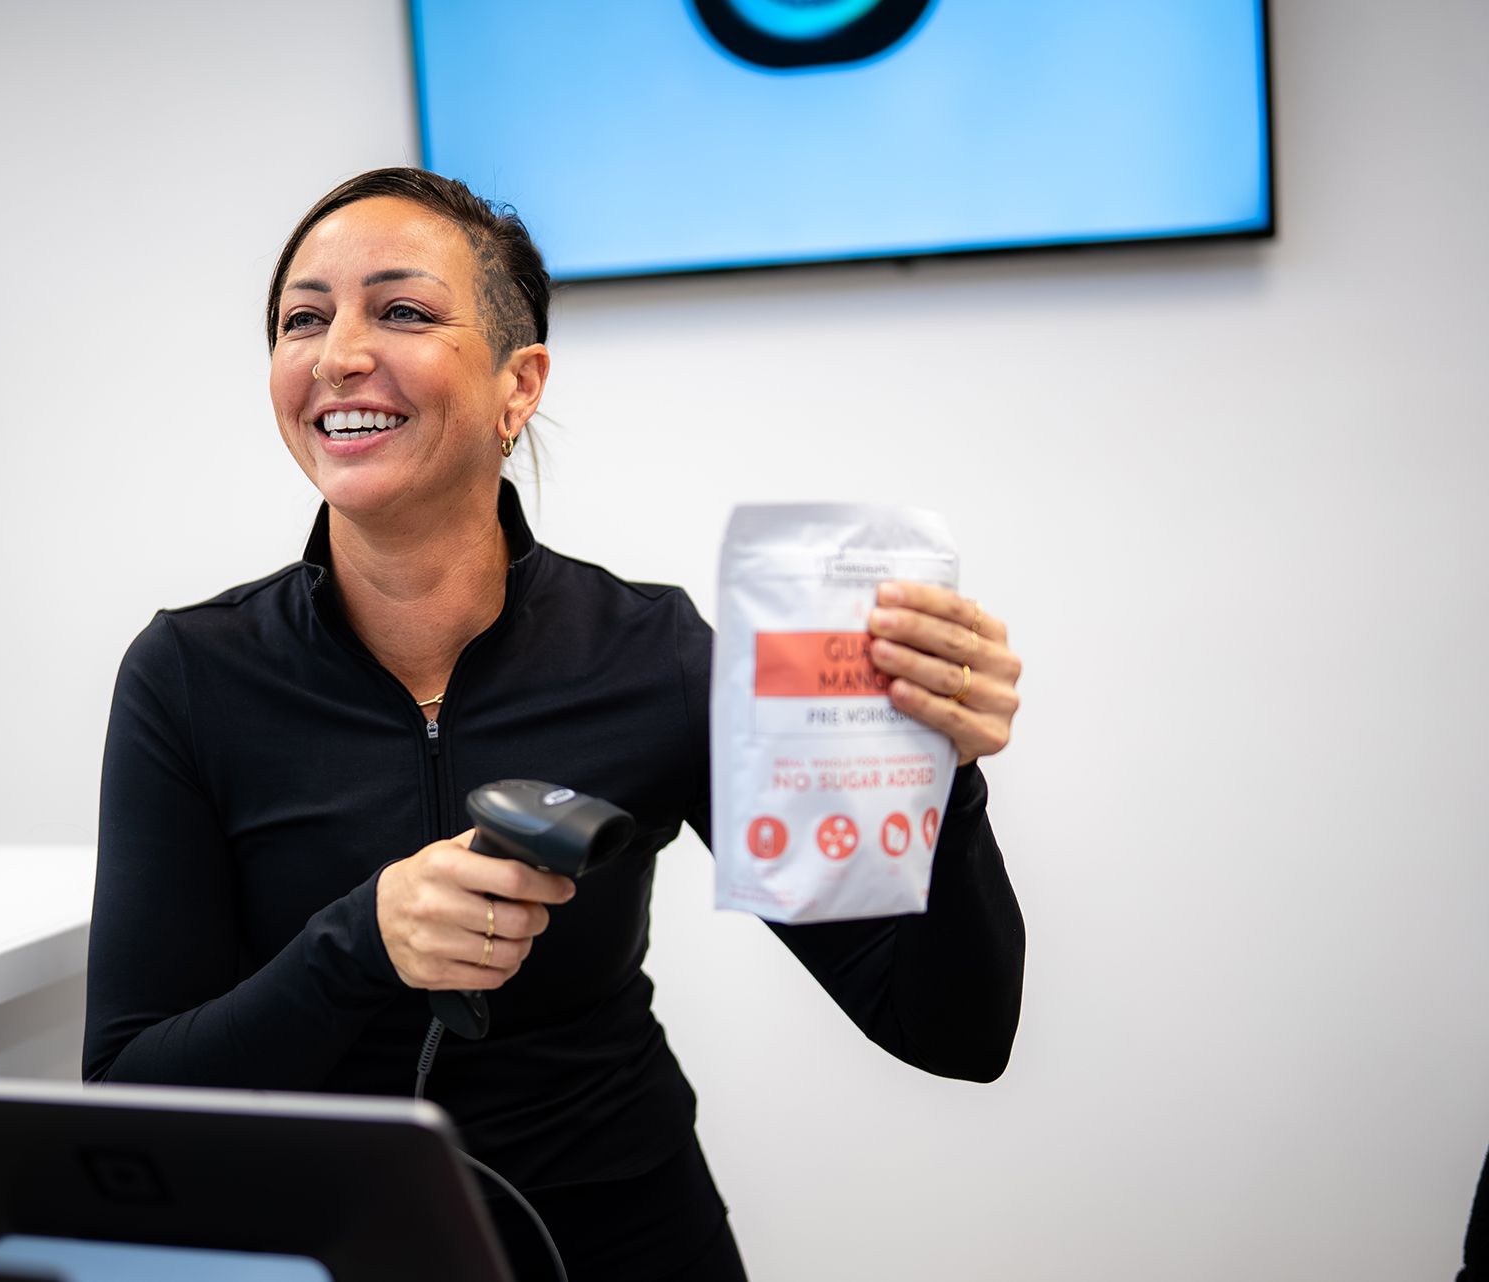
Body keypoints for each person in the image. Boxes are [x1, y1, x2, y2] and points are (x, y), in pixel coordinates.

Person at [83, 167, 1027, 1282]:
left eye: (401, 310)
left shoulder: (654, 653)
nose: (338, 352)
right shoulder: (190, 673)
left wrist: (941, 776)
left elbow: (949, 1030)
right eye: (303, 317)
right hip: (324, 1250)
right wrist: (361, 944)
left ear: (516, 385)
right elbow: (133, 1097)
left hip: (622, 1240)